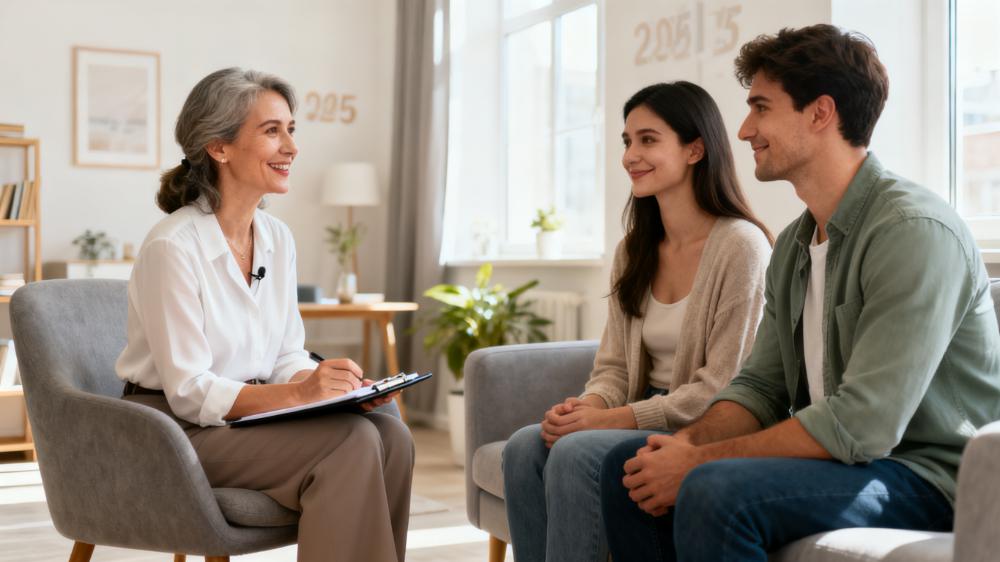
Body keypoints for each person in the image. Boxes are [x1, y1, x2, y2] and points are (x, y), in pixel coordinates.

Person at [600, 24, 1000, 562]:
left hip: (930, 477)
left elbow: (864, 424)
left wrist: (698, 462)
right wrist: (684, 445)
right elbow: (759, 388)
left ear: (820, 113)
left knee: (716, 490)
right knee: (628, 469)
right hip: (849, 462)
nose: (744, 130)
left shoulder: (913, 231)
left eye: (761, 108)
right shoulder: (794, 244)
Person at [115, 68, 413, 562]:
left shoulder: (277, 238)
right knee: (352, 443)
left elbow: (286, 354)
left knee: (392, 435)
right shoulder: (172, 247)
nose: (291, 147)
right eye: (272, 131)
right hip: (174, 431)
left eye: (291, 129)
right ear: (219, 147)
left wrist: (331, 390)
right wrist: (299, 394)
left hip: (244, 420)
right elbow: (190, 392)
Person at [502, 81, 773, 562]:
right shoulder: (634, 250)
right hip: (636, 410)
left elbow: (723, 387)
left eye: (648, 139)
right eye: (628, 141)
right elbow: (613, 368)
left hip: (705, 423)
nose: (630, 155)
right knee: (525, 447)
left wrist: (607, 420)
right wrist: (584, 407)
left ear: (695, 149)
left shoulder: (741, 246)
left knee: (576, 453)